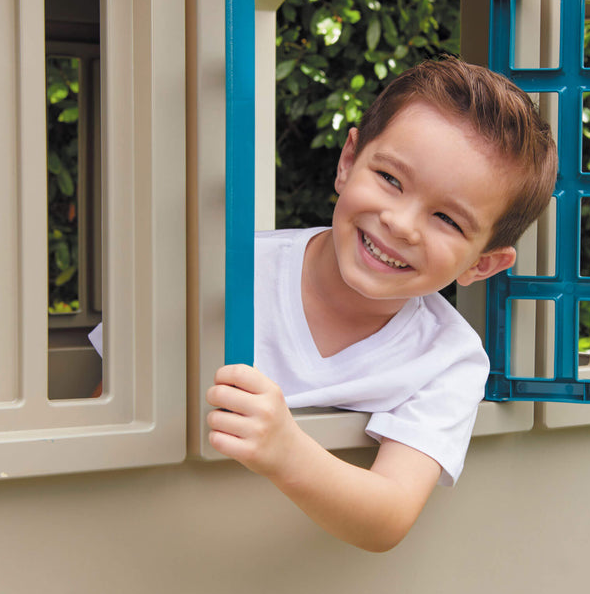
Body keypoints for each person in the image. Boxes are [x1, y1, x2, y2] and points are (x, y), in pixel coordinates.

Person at [206, 56, 557, 551]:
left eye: (447, 219)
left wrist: (285, 450)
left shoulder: (448, 358)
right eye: (391, 179)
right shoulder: (221, 271)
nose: (401, 224)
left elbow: (388, 516)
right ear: (348, 161)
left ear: (482, 265)